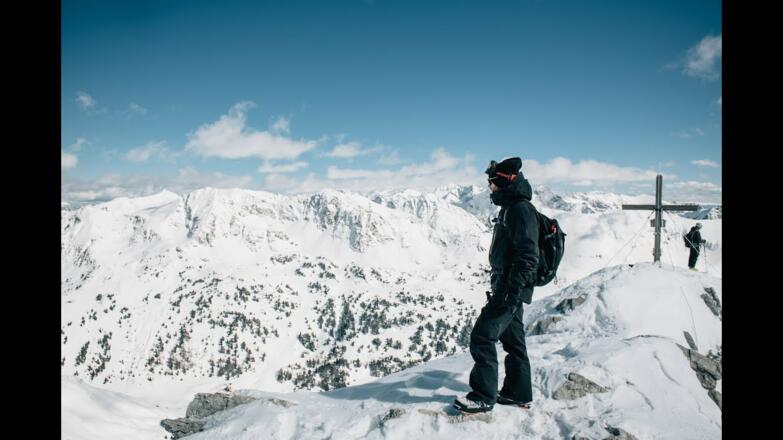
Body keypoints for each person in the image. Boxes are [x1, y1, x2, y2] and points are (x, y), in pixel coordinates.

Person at [454, 157, 539, 413]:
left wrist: (511, 291)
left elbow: (528, 256)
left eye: (491, 182)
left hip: (510, 289)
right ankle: (517, 393)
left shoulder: (520, 210)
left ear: (504, 181)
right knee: (514, 343)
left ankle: (483, 396)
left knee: (482, 337)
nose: (489, 188)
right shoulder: (511, 207)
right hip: (509, 286)